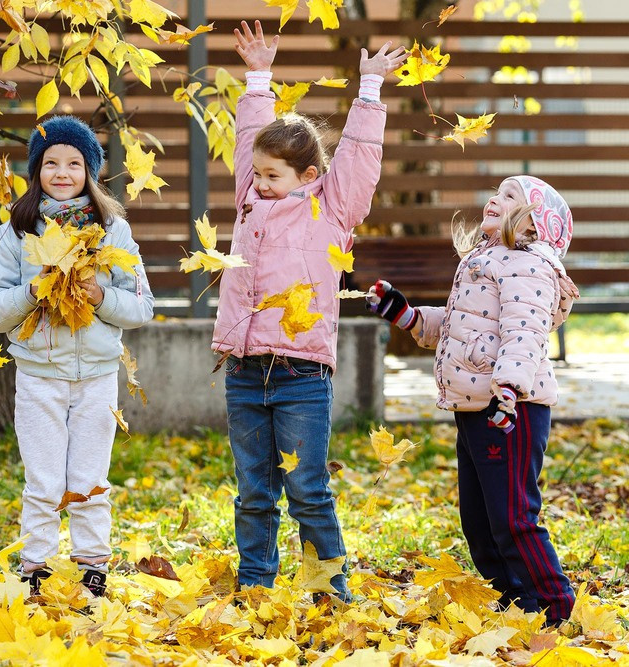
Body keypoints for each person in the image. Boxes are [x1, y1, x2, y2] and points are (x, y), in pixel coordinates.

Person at [213, 20, 407, 601]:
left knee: (308, 491)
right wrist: (258, 77)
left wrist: (369, 89)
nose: (260, 185)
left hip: (301, 376)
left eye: (273, 177)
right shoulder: (251, 197)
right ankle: (255, 585)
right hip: (246, 371)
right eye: (259, 174)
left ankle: (331, 589)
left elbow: (360, 156)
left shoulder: (334, 209)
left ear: (309, 177)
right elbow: (254, 131)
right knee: (253, 491)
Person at [367, 175, 578, 625]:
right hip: (476, 407)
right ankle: (513, 600)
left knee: (513, 517)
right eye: (496, 192)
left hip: (510, 408)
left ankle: (554, 606)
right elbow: (465, 323)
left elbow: (526, 332)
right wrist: (408, 316)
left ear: (533, 223)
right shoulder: (486, 259)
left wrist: (510, 388)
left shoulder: (528, 265)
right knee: (480, 520)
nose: (494, 199)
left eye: (509, 197)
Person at [0, 115, 154, 598]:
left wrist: (100, 297)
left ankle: (93, 566)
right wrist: (33, 291)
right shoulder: (15, 232)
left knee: (89, 478)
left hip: (96, 376)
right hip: (39, 377)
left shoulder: (112, 231)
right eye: (50, 162)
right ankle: (35, 567)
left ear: (90, 171)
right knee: (43, 478)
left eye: (74, 163)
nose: (62, 172)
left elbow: (143, 306)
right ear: (35, 171)